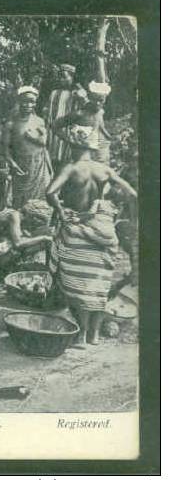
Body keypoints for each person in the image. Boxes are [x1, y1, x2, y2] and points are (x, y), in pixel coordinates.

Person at [46, 130, 137, 346]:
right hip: (103, 231)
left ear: (74, 147)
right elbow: (132, 194)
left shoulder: (71, 168)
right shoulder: (104, 169)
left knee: (75, 284)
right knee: (99, 284)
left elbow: (50, 192)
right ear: (93, 148)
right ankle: (94, 335)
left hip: (77, 229)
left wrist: (60, 211)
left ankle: (80, 335)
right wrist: (123, 216)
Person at [4, 86, 52, 209]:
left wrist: (33, 138)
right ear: (19, 102)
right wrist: (12, 164)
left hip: (38, 164)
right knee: (20, 199)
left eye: (31, 101)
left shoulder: (40, 121)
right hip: (21, 165)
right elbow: (5, 148)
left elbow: (45, 142)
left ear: (35, 104)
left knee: (38, 201)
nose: (27, 105)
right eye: (24, 101)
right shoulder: (11, 124)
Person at [53, 81, 113, 166]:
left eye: (101, 100)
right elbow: (55, 126)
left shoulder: (100, 112)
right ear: (89, 98)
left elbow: (100, 129)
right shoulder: (79, 114)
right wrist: (70, 140)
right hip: (83, 156)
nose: (97, 103)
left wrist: (108, 138)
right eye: (94, 99)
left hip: (101, 155)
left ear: (105, 100)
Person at [43, 64, 87, 172]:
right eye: (60, 77)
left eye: (64, 76)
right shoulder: (54, 93)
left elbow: (85, 106)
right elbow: (47, 110)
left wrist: (80, 92)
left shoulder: (77, 93)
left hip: (68, 129)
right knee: (53, 155)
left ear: (72, 77)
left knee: (66, 157)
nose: (61, 80)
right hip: (53, 130)